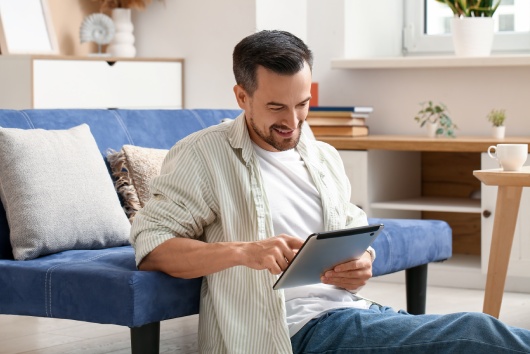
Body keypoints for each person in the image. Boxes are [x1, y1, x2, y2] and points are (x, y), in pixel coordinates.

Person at [131, 30, 530, 354]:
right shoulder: (204, 155)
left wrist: (362, 262)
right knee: (476, 334)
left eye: (302, 104)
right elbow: (152, 246)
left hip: (353, 311)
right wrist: (244, 252)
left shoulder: (321, 155)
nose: (292, 122)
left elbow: (352, 225)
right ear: (241, 97)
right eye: (276, 108)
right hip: (287, 334)